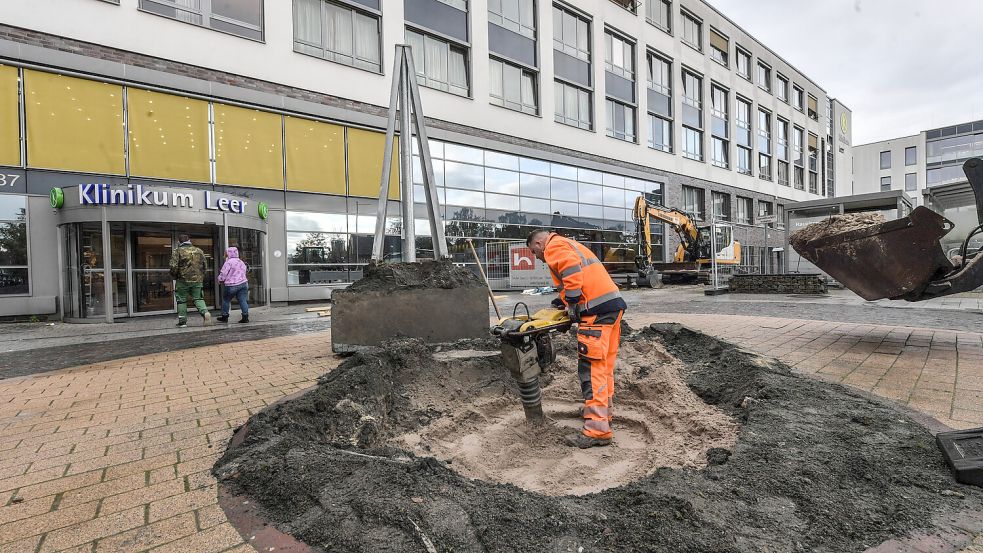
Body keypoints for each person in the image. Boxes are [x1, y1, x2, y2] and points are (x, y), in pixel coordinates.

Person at [527, 229, 628, 449]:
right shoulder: (570, 244)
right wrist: (563, 301)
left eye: (534, 251)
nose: (536, 257)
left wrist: (572, 302)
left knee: (591, 371)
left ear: (539, 242)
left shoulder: (554, 246)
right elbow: (580, 277)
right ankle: (602, 416)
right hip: (611, 309)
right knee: (603, 368)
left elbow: (571, 270)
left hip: (596, 314)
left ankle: (596, 431)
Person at [169, 234, 211, 328]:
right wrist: (200, 276)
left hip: (182, 280)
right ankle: (205, 313)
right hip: (197, 280)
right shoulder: (199, 250)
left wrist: (174, 276)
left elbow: (173, 266)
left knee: (182, 300)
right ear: (189, 240)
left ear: (179, 242)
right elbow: (205, 266)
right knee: (198, 298)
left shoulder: (177, 251)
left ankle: (182, 322)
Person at [217, 246, 249, 323]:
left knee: (226, 300)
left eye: (226, 252)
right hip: (243, 283)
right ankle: (245, 317)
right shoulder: (241, 262)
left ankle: (225, 316)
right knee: (242, 300)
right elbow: (245, 271)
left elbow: (223, 273)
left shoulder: (228, 262)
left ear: (229, 253)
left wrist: (220, 279)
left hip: (232, 285)